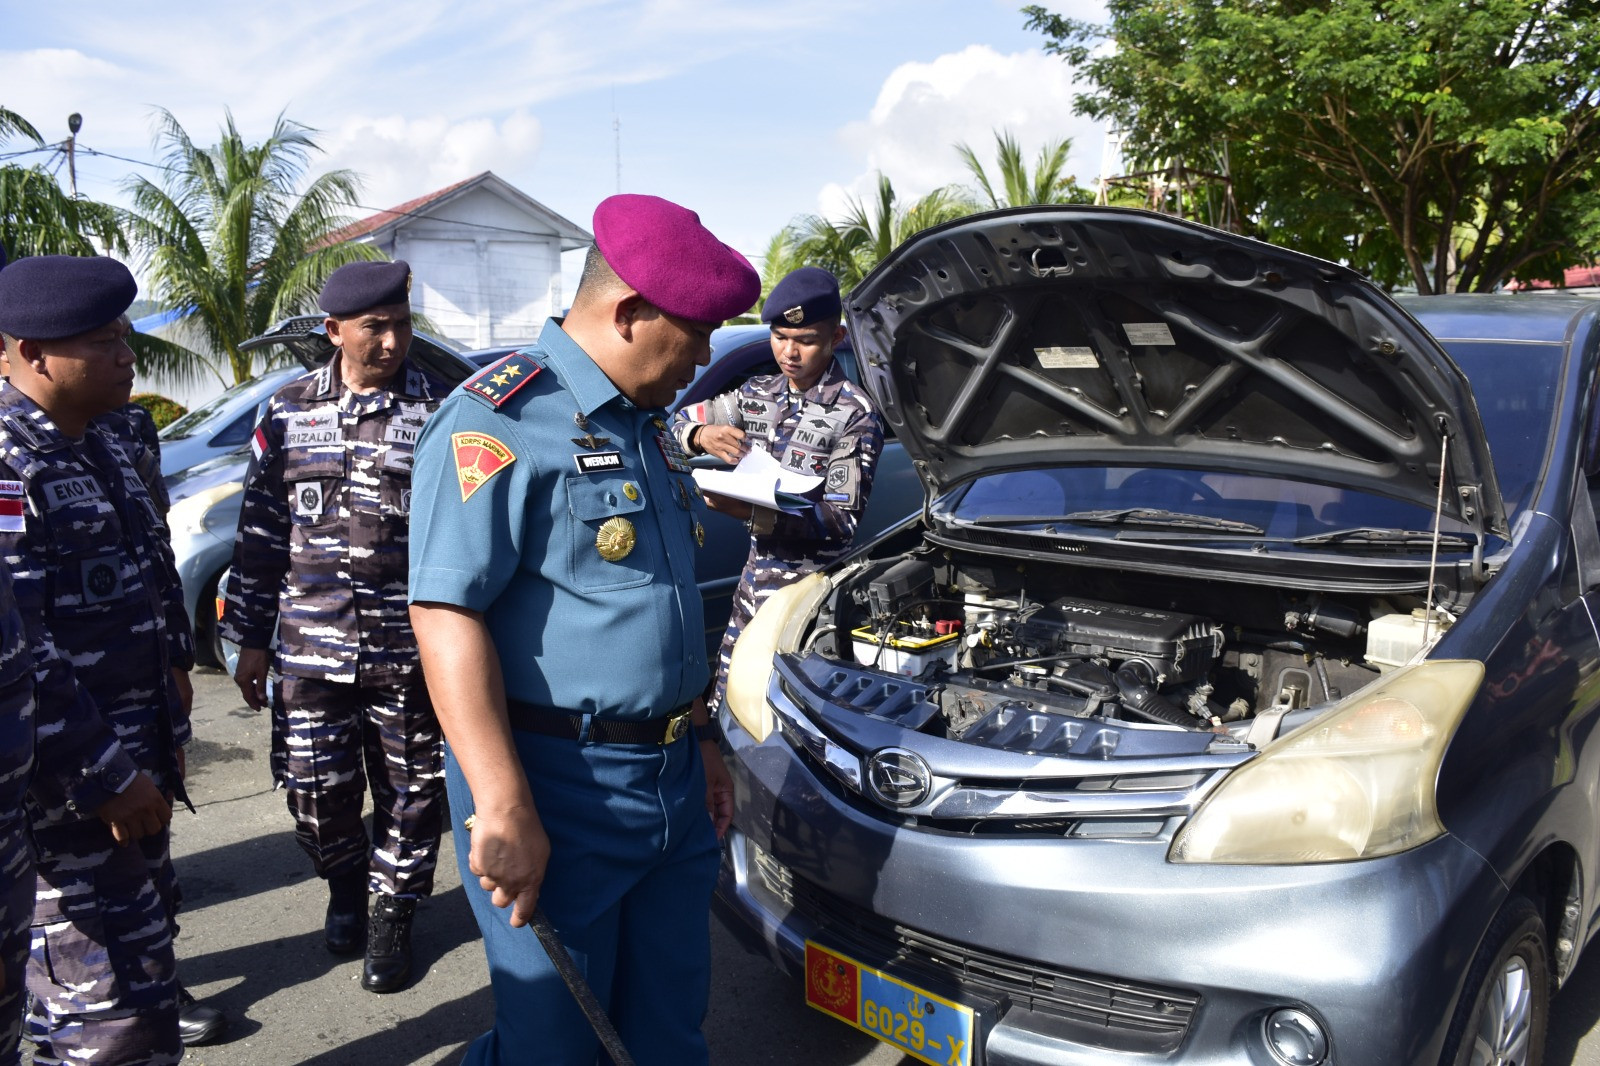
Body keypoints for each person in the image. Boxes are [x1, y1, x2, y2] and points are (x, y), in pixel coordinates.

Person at [406, 193, 754, 1066]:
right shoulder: (499, 419)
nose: (706, 359)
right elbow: (446, 612)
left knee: (667, 1029)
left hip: (671, 776)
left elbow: (662, 606)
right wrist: (501, 801)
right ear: (630, 313)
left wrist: (701, 739)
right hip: (558, 781)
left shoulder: (649, 425)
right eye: (697, 334)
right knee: (555, 1044)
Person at [219, 259, 448, 993]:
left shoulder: (443, 411)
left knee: (413, 794)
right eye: (374, 328)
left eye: (402, 325)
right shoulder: (286, 411)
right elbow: (259, 536)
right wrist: (250, 640)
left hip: (410, 651)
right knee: (317, 792)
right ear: (334, 331)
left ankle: (392, 914)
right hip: (311, 649)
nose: (391, 342)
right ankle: (345, 888)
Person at [0, 254, 195, 1066]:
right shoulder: (10, 465)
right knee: (101, 1024)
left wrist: (178, 670)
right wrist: (104, 774)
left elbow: (152, 574)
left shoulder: (109, 440)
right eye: (101, 342)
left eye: (125, 336)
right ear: (31, 353)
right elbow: (20, 652)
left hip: (135, 759)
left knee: (141, 981)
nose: (126, 357)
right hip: (67, 788)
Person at [671, 265, 884, 713]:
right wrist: (699, 436)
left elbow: (841, 521)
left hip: (810, 599)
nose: (788, 352)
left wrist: (748, 513)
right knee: (727, 705)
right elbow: (671, 422)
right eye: (779, 336)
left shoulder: (854, 413)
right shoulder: (755, 393)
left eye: (804, 340)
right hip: (752, 587)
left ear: (835, 338)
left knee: (791, 717)